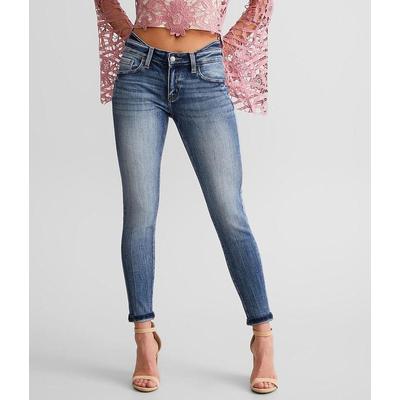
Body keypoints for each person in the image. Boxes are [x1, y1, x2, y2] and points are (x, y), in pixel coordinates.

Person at [93, 0, 277, 394]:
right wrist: (131, 36)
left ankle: (263, 336)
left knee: (229, 212)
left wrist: (223, 47)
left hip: (204, 73)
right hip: (140, 72)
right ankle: (145, 338)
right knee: (139, 212)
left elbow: (261, 4)